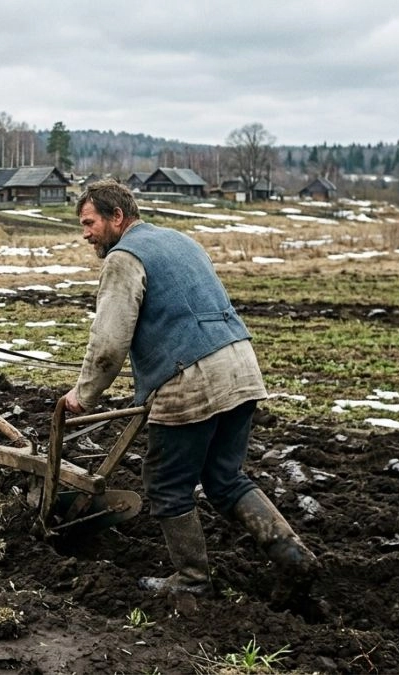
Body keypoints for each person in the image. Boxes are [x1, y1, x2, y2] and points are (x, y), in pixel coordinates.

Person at [61, 179, 318, 597]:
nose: (85, 233)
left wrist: (83, 395)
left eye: (90, 223)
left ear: (117, 217)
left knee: (166, 483)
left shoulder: (124, 258)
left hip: (192, 379)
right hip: (240, 366)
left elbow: (109, 343)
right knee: (224, 478)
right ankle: (292, 554)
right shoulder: (180, 241)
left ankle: (192, 581)